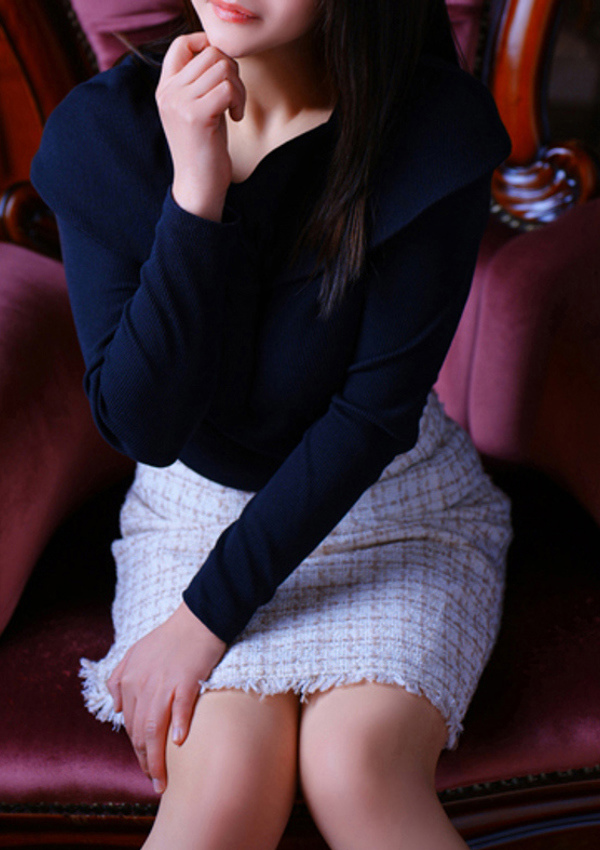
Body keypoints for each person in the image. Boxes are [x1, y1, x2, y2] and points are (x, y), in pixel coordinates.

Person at [31, 0, 513, 846]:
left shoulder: (432, 128)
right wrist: (196, 192)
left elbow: (370, 419)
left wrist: (203, 620)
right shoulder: (106, 132)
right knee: (222, 782)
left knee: (356, 768)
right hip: (192, 512)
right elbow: (144, 428)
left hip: (392, 509)